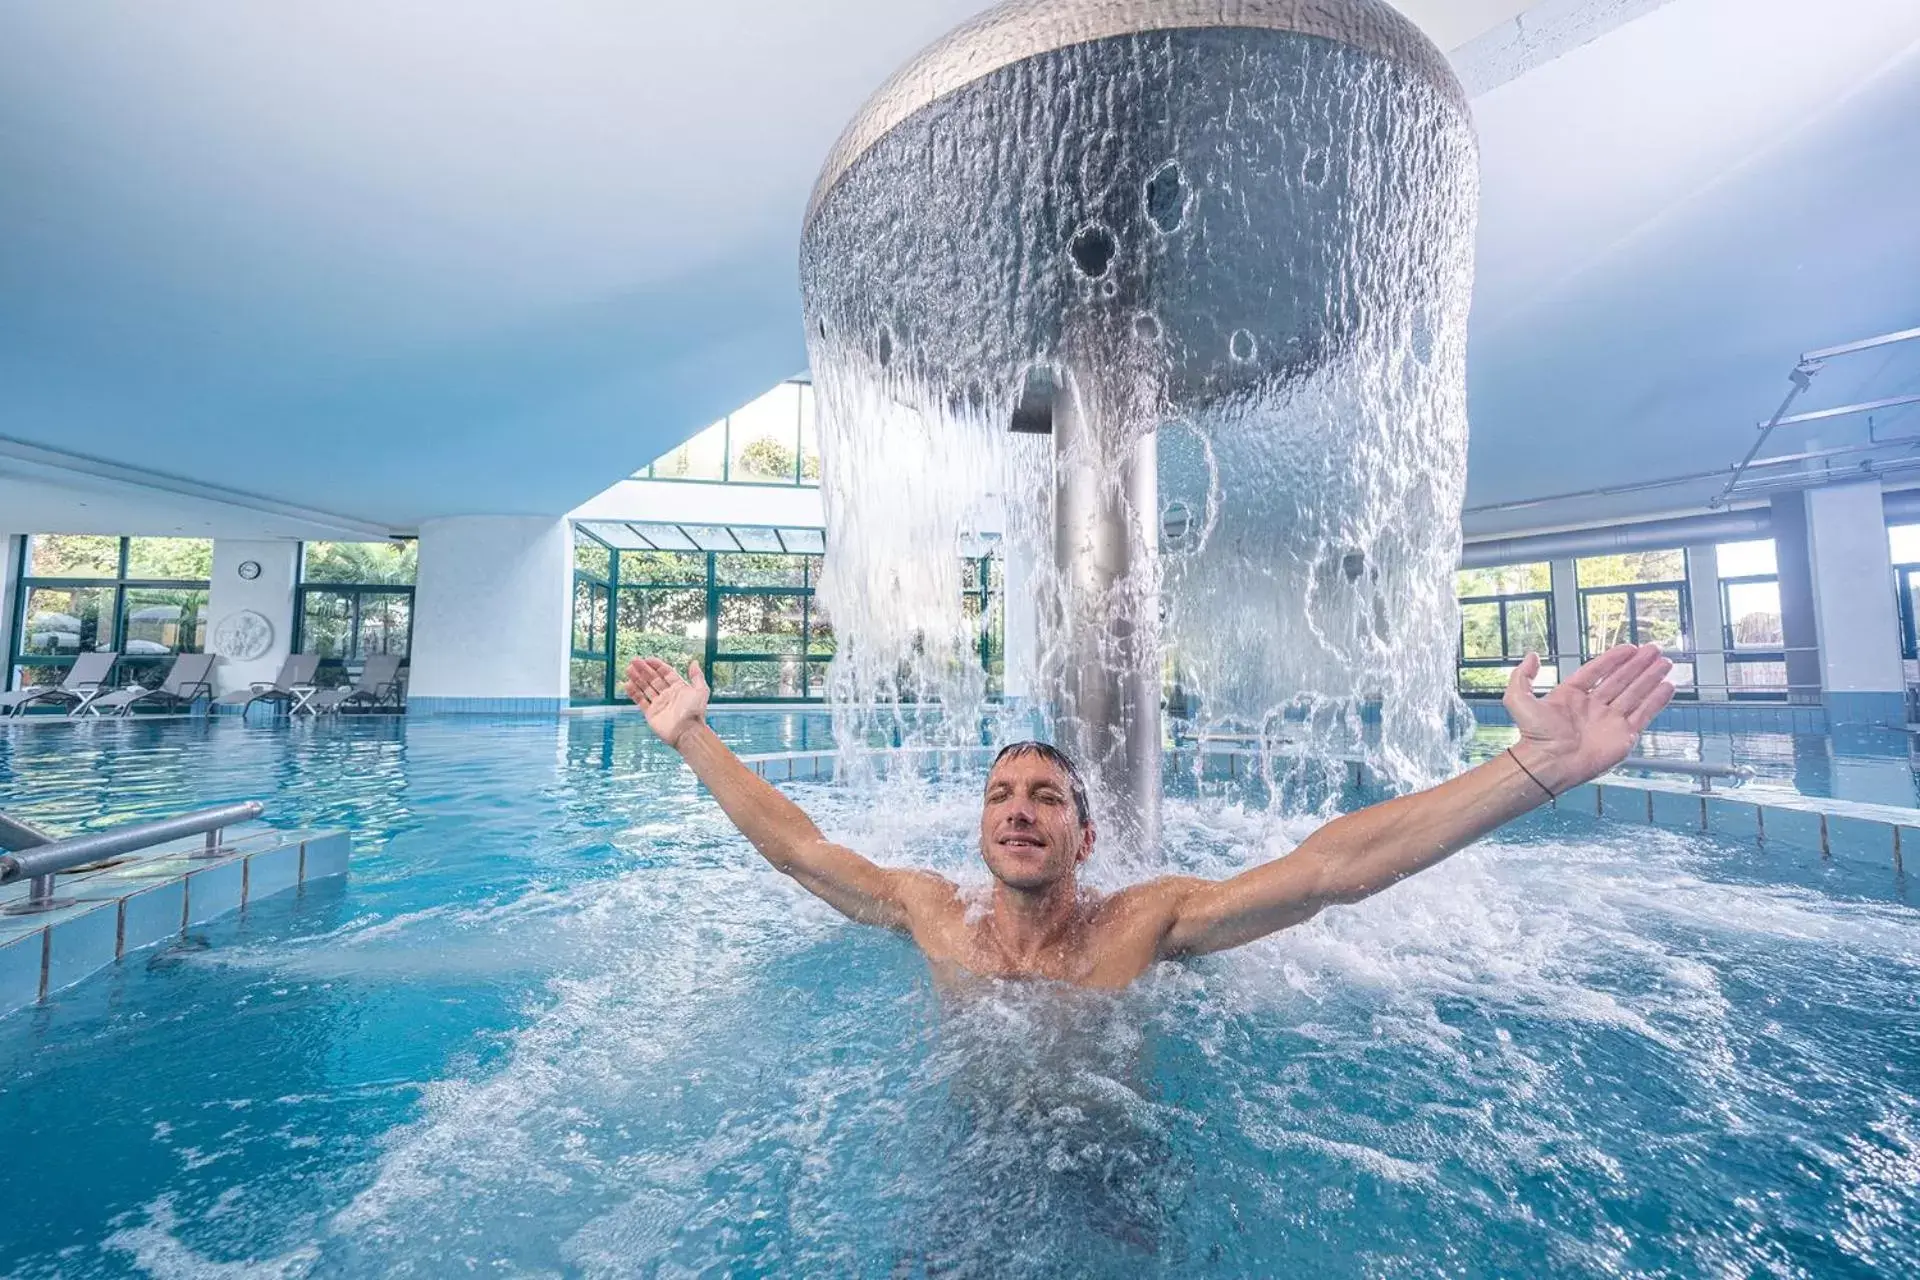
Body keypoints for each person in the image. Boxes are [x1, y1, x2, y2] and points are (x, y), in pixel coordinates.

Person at [624, 643, 1674, 990]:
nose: (1020, 809)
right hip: (970, 1171)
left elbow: (1329, 869)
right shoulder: (930, 913)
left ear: (1085, 834)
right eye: (1001, 796)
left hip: (1114, 1173)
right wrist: (690, 734)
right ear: (981, 829)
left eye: (1045, 795)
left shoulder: (1145, 922)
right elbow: (802, 849)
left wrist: (1531, 772)